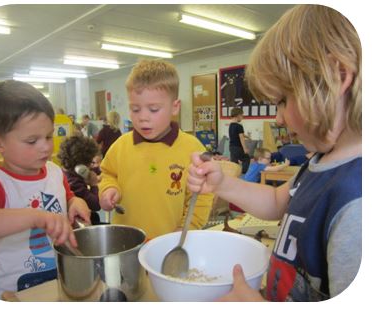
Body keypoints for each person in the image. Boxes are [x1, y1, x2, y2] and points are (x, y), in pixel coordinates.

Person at [187, 5, 361, 302]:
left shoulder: (356, 201)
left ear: (337, 76)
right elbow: (277, 202)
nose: (278, 119)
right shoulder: (319, 162)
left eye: (282, 101)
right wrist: (223, 185)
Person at [0, 80, 91, 299]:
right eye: (32, 141)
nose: (45, 146)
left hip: (59, 280)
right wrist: (33, 217)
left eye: (49, 136)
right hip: (15, 292)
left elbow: (67, 197)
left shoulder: (54, 172)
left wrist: (75, 202)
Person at [98, 59, 214, 240]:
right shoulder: (121, 146)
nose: (143, 117)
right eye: (135, 109)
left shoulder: (192, 149)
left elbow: (201, 197)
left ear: (175, 107)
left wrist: (186, 229)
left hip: (169, 245)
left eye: (153, 109)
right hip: (126, 244)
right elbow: (107, 174)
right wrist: (108, 189)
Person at [58, 135, 102, 225]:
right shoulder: (74, 184)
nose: (91, 166)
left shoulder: (68, 172)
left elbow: (92, 171)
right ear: (81, 166)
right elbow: (96, 204)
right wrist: (94, 185)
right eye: (90, 162)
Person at [228, 107, 250, 174]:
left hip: (232, 147)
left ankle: (234, 174)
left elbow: (238, 134)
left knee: (234, 162)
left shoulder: (231, 125)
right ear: (238, 115)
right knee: (246, 158)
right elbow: (241, 138)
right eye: (242, 115)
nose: (242, 117)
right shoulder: (239, 126)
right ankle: (243, 173)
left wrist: (247, 136)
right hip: (238, 147)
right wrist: (245, 148)